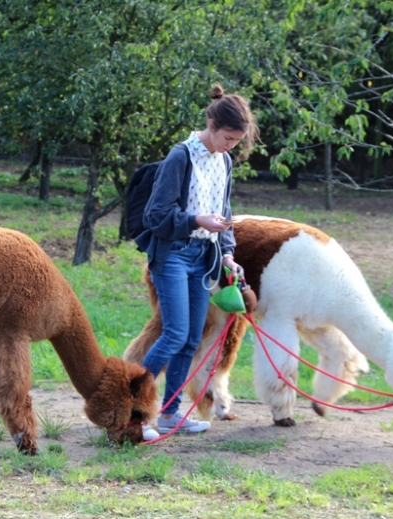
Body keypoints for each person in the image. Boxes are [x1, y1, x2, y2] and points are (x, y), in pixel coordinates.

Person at [134, 84, 259, 440]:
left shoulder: (224, 162)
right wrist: (195, 221)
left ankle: (171, 413)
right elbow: (156, 214)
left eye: (237, 140)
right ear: (212, 124)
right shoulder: (181, 157)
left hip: (204, 259)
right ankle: (132, 410)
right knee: (174, 333)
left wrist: (229, 256)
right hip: (172, 254)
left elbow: (225, 213)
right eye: (228, 138)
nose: (231, 145)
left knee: (190, 339)